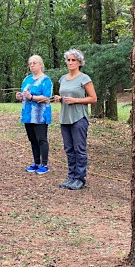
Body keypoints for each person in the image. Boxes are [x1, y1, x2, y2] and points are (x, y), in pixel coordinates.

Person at [54, 49, 97, 190]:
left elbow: (93, 98)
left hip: (79, 118)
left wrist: (75, 100)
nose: (71, 62)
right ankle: (71, 176)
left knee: (79, 149)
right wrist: (60, 99)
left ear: (79, 62)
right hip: (64, 118)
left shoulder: (84, 78)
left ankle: (80, 178)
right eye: (68, 60)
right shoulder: (63, 79)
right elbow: (65, 96)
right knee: (69, 149)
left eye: (74, 60)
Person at [15, 55, 53, 174]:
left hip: (40, 115)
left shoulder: (46, 80)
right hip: (27, 114)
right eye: (30, 63)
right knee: (32, 139)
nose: (32, 65)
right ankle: (36, 163)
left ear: (41, 65)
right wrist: (20, 96)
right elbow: (24, 94)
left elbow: (47, 97)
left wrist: (31, 97)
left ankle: (44, 164)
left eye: (34, 63)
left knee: (41, 139)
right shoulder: (27, 79)